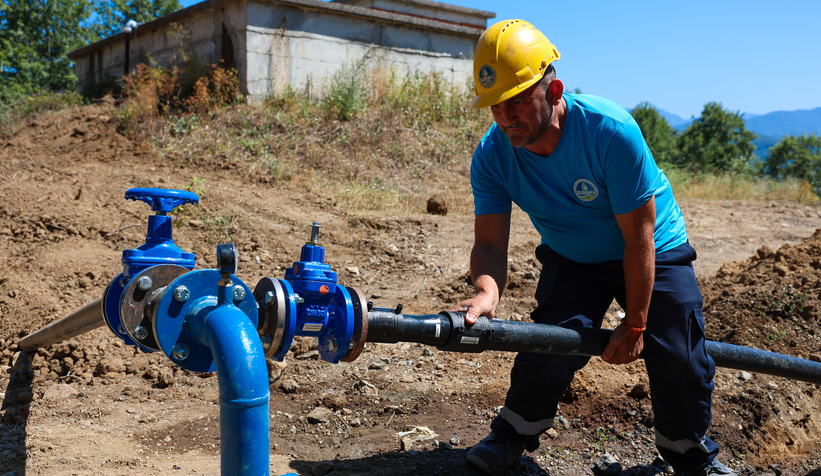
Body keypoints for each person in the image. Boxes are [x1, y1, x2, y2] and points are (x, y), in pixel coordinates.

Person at [452, 19, 735, 476]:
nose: (505, 118)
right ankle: (511, 435)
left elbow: (638, 236)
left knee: (678, 354)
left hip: (652, 248)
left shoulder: (609, 131)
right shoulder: (492, 156)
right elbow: (488, 244)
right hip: (575, 256)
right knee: (549, 342)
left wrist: (638, 321)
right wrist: (487, 291)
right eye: (495, 106)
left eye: (518, 101)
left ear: (555, 89)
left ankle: (688, 456)